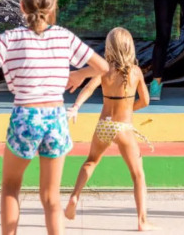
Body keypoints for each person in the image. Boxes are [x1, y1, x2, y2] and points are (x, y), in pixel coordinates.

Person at [0, 0, 109, 235]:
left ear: (21, 6)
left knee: (10, 187)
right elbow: (103, 67)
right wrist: (78, 74)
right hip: (56, 117)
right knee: (51, 198)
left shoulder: (10, 38)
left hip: (25, 116)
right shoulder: (64, 36)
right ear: (53, 8)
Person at [64, 27, 155, 231]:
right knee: (138, 175)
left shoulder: (104, 70)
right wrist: (129, 108)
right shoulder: (135, 72)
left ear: (109, 47)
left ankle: (75, 196)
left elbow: (88, 88)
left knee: (91, 161)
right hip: (123, 127)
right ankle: (142, 221)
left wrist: (76, 107)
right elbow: (146, 101)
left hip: (103, 125)